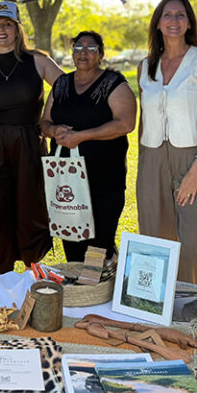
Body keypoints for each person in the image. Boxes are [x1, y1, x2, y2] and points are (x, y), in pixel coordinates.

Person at [0, 1, 63, 274]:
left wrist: (47, 117)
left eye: (7, 24)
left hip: (28, 140)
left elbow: (64, 86)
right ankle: (0, 267)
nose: (2, 29)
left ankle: (32, 265)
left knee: (31, 202)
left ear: (18, 29)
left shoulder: (38, 60)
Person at [136, 0, 197, 285]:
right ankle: (154, 309)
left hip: (193, 157)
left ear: (189, 23)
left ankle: (191, 316)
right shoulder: (145, 65)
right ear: (157, 24)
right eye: (167, 15)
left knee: (188, 247)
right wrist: (145, 170)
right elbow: (143, 120)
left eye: (180, 15)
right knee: (154, 242)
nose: (173, 21)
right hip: (152, 158)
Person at [39, 31, 136, 261]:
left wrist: (82, 136)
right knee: (72, 239)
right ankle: (78, 291)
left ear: (101, 54)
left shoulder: (113, 83)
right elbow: (44, 121)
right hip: (67, 180)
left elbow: (126, 123)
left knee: (99, 244)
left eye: (91, 48)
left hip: (104, 179)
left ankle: (97, 290)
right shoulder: (62, 84)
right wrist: (53, 131)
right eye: (78, 47)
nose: (83, 52)